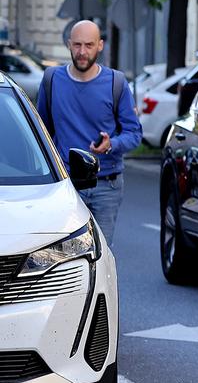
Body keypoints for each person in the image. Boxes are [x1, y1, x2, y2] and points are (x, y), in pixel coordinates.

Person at [38, 20, 141, 241]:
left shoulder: (117, 83)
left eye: (89, 45)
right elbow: (40, 134)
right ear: (68, 44)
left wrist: (112, 144)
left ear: (100, 45)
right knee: (65, 256)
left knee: (101, 256)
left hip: (106, 185)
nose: (82, 52)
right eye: (77, 45)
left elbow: (134, 134)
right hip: (67, 187)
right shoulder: (52, 80)